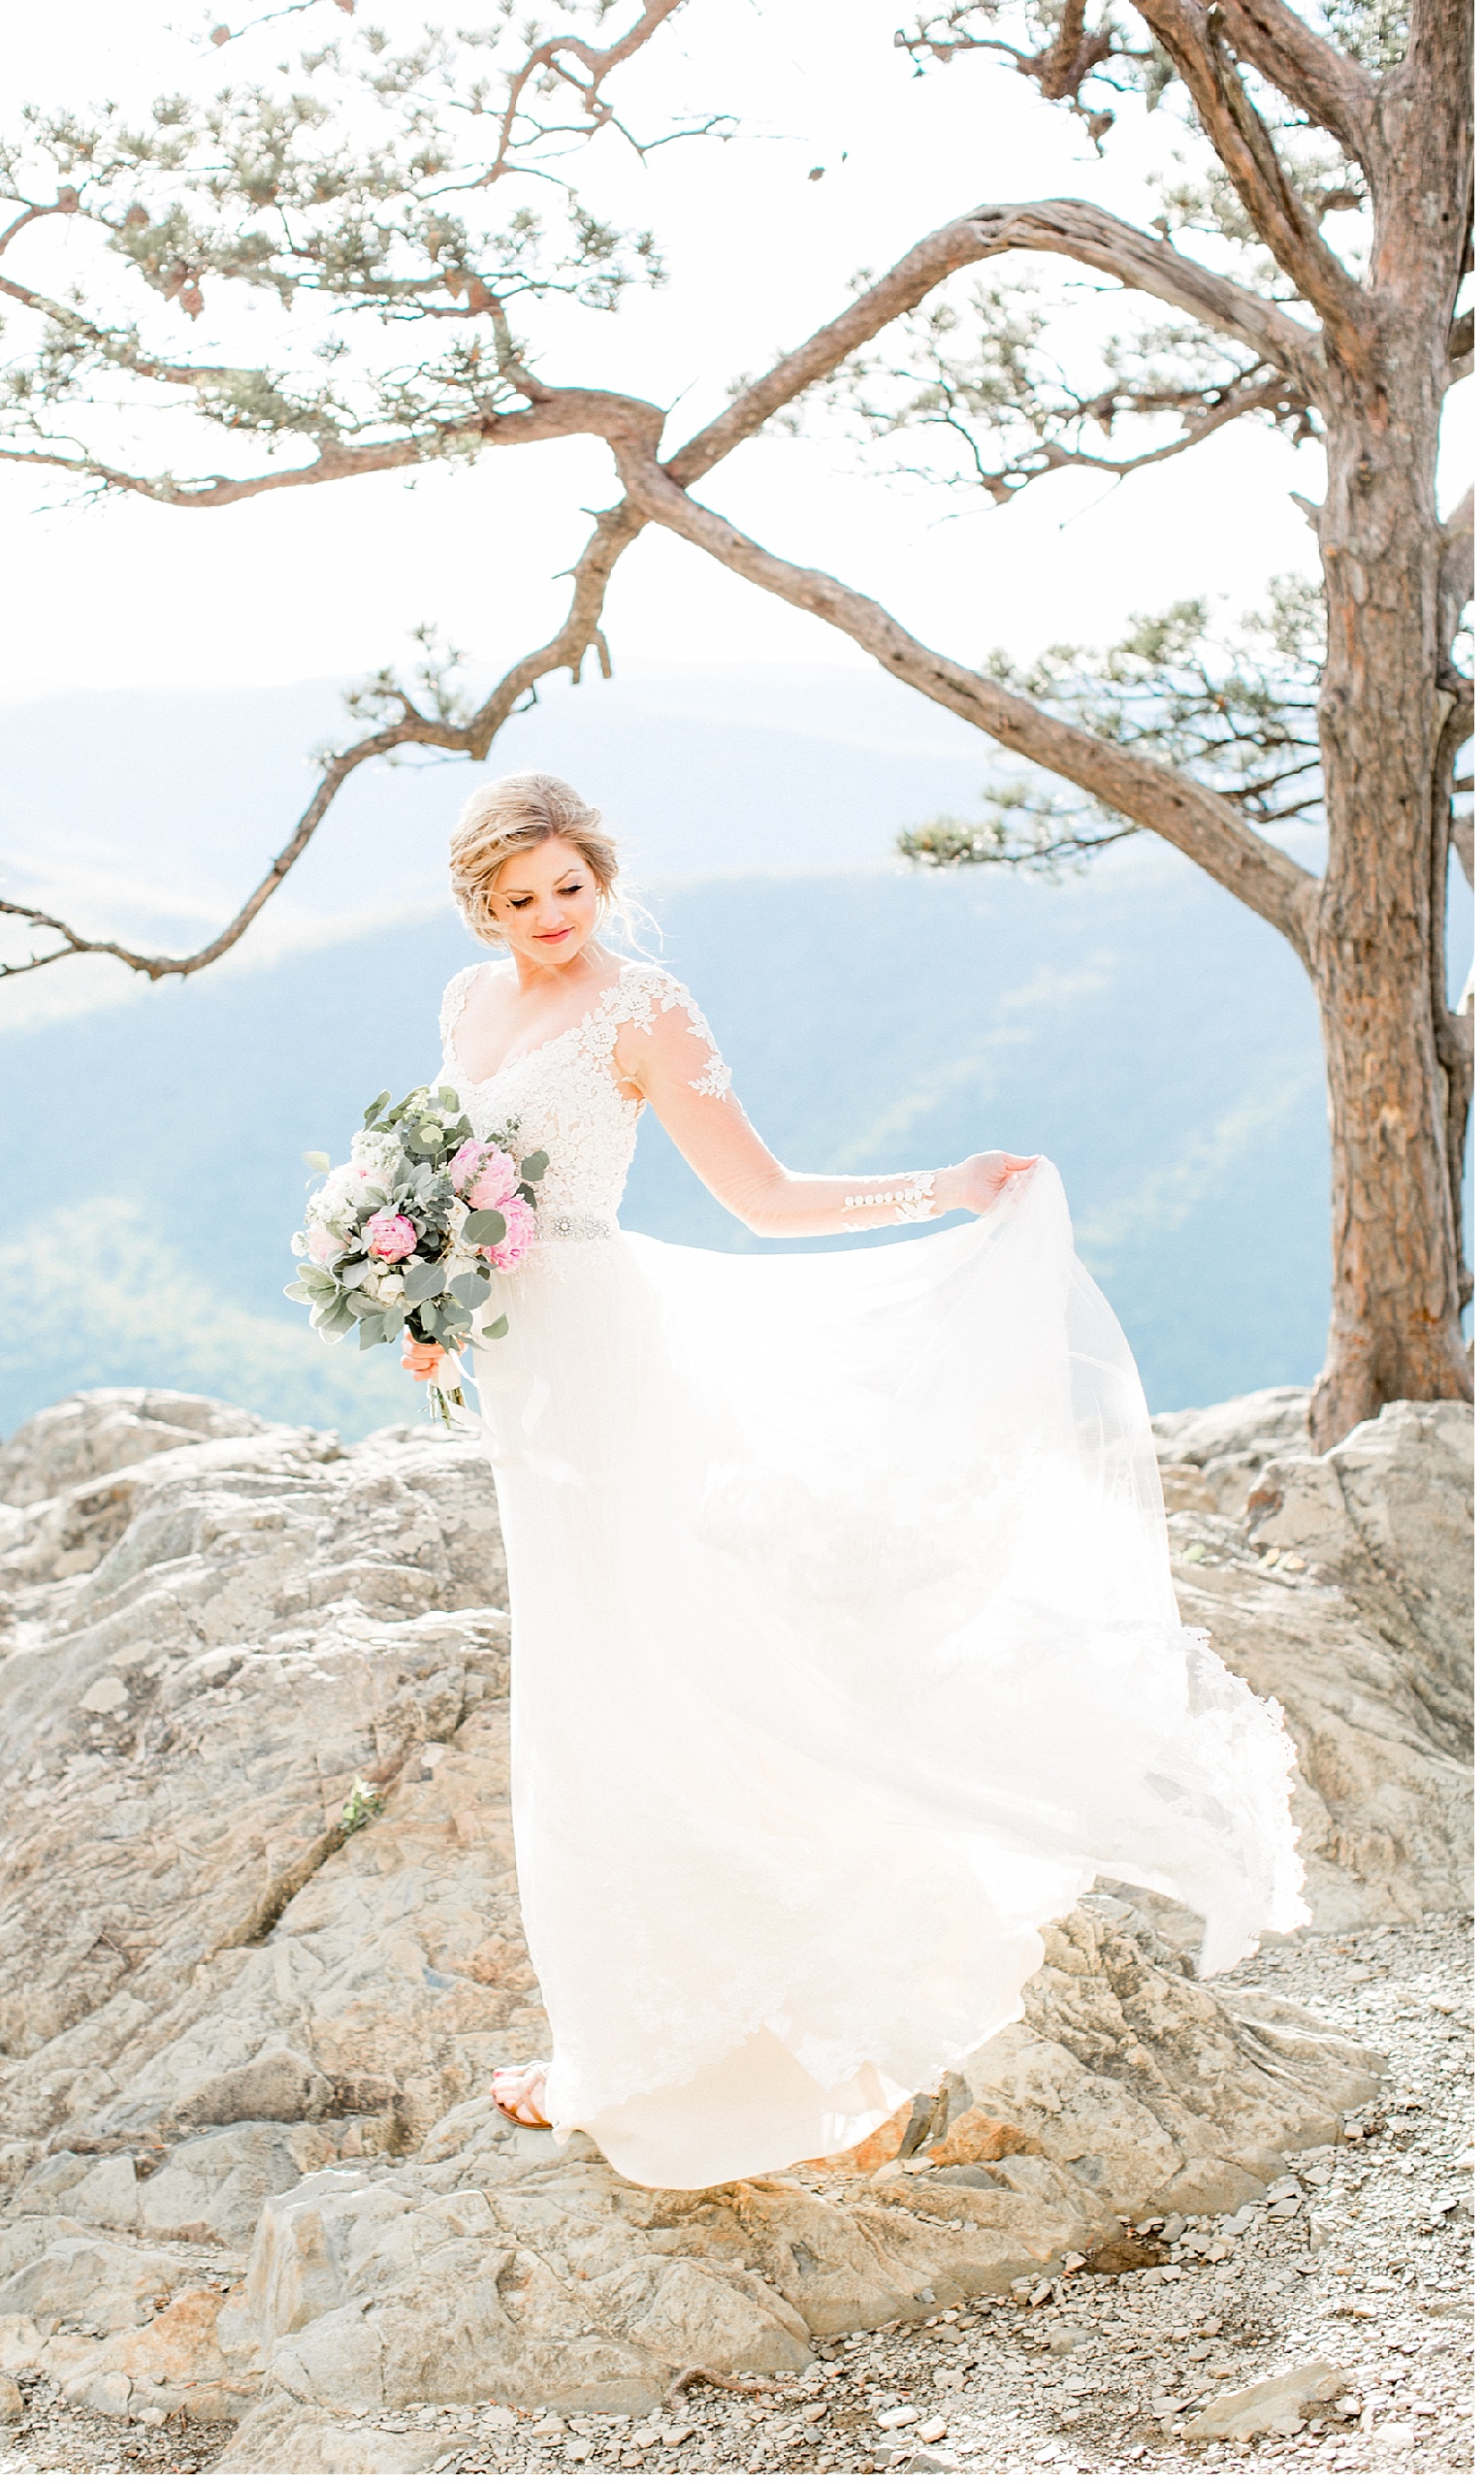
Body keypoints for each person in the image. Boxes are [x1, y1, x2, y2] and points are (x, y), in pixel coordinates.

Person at [403, 771, 1306, 2190]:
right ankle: (611, 2036)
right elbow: (461, 1179)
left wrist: (941, 1186)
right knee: (576, 1679)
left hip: (611, 1357)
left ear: (604, 876)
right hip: (520, 1371)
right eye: (519, 901)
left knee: (660, 1663)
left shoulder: (648, 1013)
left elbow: (761, 1197)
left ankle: (751, 2018)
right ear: (481, 904)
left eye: (570, 888)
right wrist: (420, 1290)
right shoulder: (468, 1005)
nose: (550, 919)